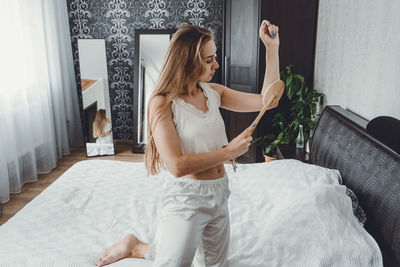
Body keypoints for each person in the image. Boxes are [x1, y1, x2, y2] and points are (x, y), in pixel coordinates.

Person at [96, 20, 280, 267]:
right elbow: (176, 166)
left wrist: (271, 48)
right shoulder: (162, 103)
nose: (215, 65)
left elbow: (268, 101)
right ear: (186, 61)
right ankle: (133, 244)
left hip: (219, 193)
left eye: (214, 57)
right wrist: (229, 151)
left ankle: (139, 246)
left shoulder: (214, 93)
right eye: (208, 60)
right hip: (187, 199)